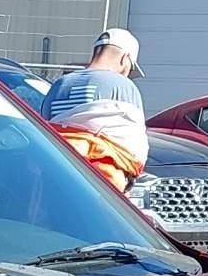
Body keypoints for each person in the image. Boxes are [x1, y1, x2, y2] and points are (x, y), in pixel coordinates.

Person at [41, 28, 149, 191]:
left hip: (56, 171)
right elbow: (133, 144)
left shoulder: (59, 85)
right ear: (125, 58)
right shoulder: (124, 86)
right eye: (130, 68)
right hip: (100, 182)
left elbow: (44, 126)